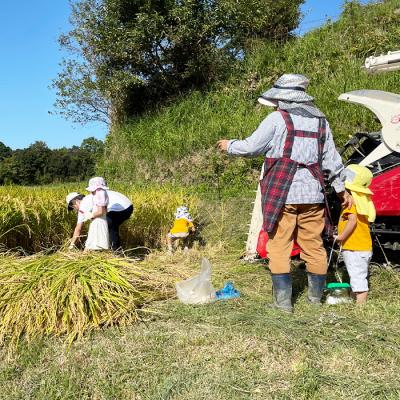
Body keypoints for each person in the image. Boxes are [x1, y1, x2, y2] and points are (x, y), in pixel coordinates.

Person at [217, 73, 352, 313]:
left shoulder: (276, 119)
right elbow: (332, 160)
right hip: (313, 194)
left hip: (283, 193)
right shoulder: (321, 122)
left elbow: (251, 147)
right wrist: (341, 190)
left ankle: (283, 304)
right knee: (314, 245)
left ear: (283, 99)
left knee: (279, 244)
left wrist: (230, 146)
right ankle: (314, 300)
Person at [335, 164, 375, 305]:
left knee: (358, 279)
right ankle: (353, 300)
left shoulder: (350, 202)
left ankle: (360, 307)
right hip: (364, 247)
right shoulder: (364, 202)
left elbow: (351, 222)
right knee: (357, 276)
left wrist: (341, 237)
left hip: (354, 248)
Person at [66, 177, 133, 251]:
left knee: (107, 223)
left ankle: (115, 251)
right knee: (109, 225)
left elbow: (78, 229)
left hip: (122, 208)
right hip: (127, 205)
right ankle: (112, 249)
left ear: (75, 202)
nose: (75, 209)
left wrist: (71, 246)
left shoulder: (84, 204)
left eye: (73, 207)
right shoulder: (91, 197)